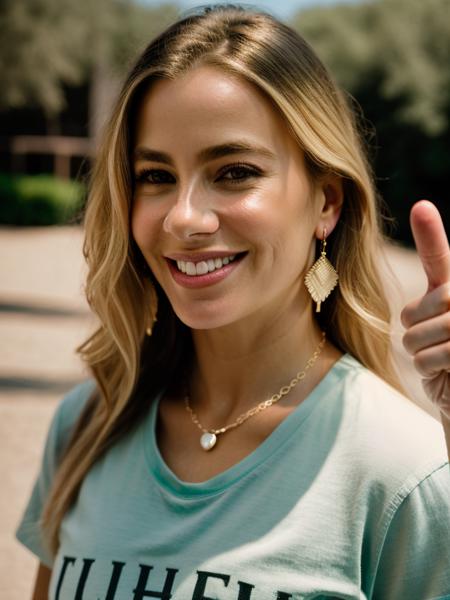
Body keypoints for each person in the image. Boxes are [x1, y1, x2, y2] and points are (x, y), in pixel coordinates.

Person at [16, 5, 450, 599]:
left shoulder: (404, 469)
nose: (184, 217)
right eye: (154, 176)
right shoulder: (87, 425)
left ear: (326, 201)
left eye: (235, 171)